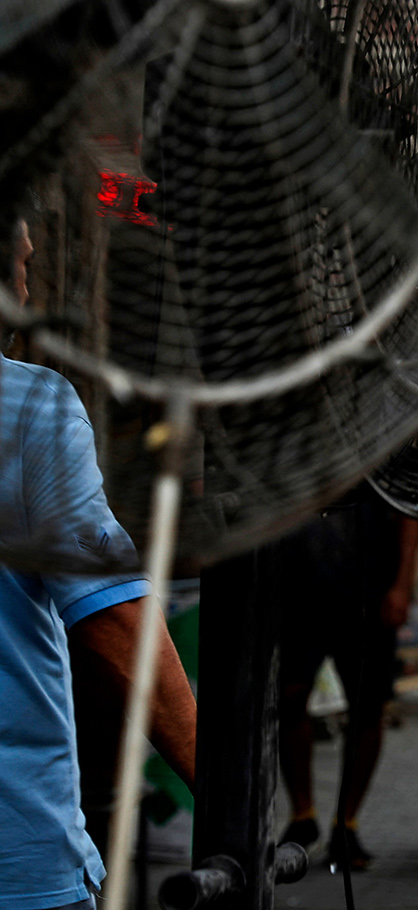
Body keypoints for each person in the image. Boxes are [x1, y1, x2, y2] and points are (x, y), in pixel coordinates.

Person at [1, 212, 197, 910]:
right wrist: (225, 790)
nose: (27, 282)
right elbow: (114, 623)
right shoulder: (29, 410)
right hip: (16, 858)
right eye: (21, 265)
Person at [275, 484, 418, 870]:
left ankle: (347, 821)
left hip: (369, 581)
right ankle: (302, 815)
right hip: (301, 578)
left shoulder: (386, 434)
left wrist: (403, 583)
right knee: (289, 694)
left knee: (368, 705)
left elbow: (410, 511)